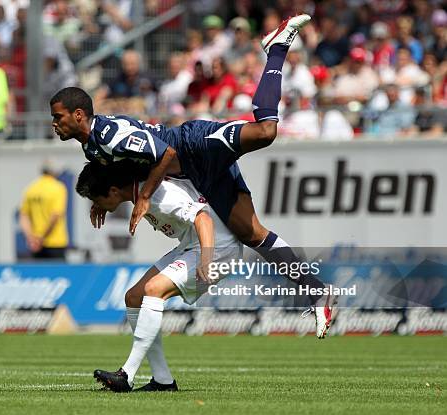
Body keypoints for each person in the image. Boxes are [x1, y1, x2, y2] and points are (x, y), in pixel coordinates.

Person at [50, 15, 336, 339]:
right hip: (196, 175)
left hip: (193, 146)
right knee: (252, 234)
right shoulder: (93, 150)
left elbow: (166, 154)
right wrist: (100, 200)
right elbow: (116, 172)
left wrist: (144, 198)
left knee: (266, 131)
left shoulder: (109, 136)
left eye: (57, 117)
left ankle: (276, 48)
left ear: (77, 115)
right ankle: (318, 293)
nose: (54, 123)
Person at [76, 161, 243, 392]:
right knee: (134, 297)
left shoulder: (157, 196)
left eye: (96, 200)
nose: (95, 205)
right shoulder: (140, 190)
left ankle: (127, 374)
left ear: (113, 191)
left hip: (218, 249)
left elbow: (203, 218)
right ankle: (163, 380)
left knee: (154, 289)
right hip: (191, 245)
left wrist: (206, 260)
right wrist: (105, 203)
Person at [19, 163, 69, 260]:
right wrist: (42, 237)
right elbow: (55, 216)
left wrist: (31, 238)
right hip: (55, 242)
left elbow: (23, 216)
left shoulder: (31, 188)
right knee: (58, 274)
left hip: (35, 244)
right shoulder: (57, 188)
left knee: (39, 273)